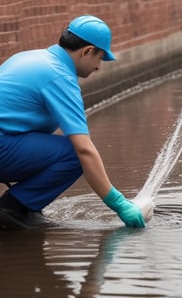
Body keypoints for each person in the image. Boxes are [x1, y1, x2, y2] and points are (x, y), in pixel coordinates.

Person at [0, 15, 153, 230]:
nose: (98, 66)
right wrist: (118, 204)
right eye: (99, 58)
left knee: (55, 147)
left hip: (6, 142)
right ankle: (11, 209)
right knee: (74, 153)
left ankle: (26, 206)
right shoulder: (60, 77)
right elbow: (84, 149)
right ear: (87, 51)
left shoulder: (30, 57)